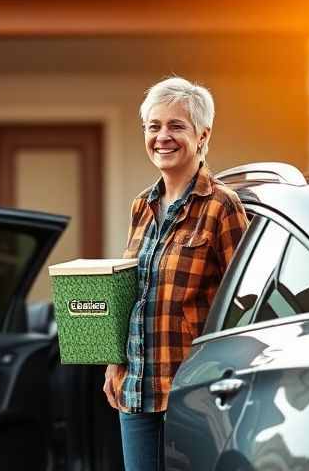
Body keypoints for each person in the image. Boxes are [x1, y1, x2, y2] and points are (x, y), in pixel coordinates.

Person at [102, 77, 249, 471]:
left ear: (202, 135)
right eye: (154, 126)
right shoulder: (140, 206)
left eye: (175, 126)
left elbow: (244, 303)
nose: (162, 137)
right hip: (136, 388)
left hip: (192, 392)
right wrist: (115, 364)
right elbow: (131, 292)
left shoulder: (222, 206)